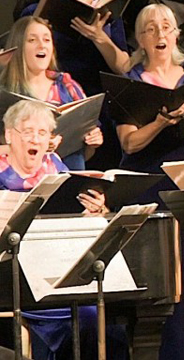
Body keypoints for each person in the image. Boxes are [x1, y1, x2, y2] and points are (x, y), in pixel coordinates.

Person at [115, 3, 184, 360]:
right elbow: (129, 142)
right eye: (150, 28)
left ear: (176, 34)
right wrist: (160, 122)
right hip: (148, 188)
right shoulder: (131, 83)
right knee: (151, 292)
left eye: (166, 26)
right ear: (141, 39)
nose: (160, 33)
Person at [0, 99, 121, 360]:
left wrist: (94, 211)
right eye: (28, 131)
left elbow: (74, 219)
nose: (35, 139)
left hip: (56, 268)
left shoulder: (56, 168)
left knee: (91, 314)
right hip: (12, 274)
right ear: (10, 135)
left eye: (42, 133)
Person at [0, 16, 104, 170]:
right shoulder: (6, 92)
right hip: (21, 184)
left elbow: (83, 153)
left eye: (47, 40)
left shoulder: (68, 85)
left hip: (68, 178)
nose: (42, 45)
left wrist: (92, 142)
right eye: (32, 40)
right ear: (18, 47)